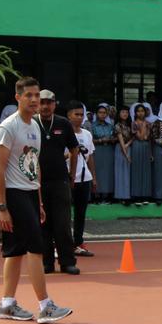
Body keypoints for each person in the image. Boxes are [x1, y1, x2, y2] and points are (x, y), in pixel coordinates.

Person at [0, 77, 73, 324]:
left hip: (29, 193)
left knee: (15, 252)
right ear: (17, 97)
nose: (35, 100)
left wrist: (37, 200)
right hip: (14, 194)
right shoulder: (8, 128)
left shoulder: (35, 127)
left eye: (37, 96)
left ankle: (6, 304)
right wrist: (2, 207)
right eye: (29, 95)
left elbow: (34, 165)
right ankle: (45, 306)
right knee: (36, 248)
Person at [34, 90, 78, 274]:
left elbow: (74, 149)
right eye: (42, 102)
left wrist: (72, 175)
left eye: (49, 103)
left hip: (60, 180)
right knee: (42, 224)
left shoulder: (63, 123)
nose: (45, 106)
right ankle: (46, 262)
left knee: (62, 223)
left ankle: (68, 262)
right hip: (37, 183)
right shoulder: (31, 123)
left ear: (54, 104)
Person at [67, 102, 97, 255]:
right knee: (64, 213)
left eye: (81, 114)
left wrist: (94, 178)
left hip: (84, 179)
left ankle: (78, 242)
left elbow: (90, 156)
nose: (79, 117)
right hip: (67, 179)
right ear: (69, 116)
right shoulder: (63, 134)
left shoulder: (86, 134)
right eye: (76, 114)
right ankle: (63, 243)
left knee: (80, 213)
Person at [91, 104, 116, 202]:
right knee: (98, 172)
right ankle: (96, 195)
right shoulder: (92, 126)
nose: (102, 115)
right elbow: (90, 140)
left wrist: (112, 139)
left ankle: (107, 195)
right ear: (96, 114)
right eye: (100, 113)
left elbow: (115, 137)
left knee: (108, 172)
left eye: (104, 113)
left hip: (109, 150)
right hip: (97, 150)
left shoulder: (110, 126)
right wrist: (101, 140)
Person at [129, 103, 153, 202]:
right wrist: (144, 126)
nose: (140, 113)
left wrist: (151, 153)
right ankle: (136, 195)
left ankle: (145, 195)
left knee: (146, 170)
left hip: (146, 147)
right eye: (138, 111)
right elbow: (141, 137)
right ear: (135, 113)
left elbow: (148, 138)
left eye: (142, 111)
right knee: (137, 169)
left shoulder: (149, 123)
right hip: (137, 146)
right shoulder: (133, 123)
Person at [113, 107, 133, 203]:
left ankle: (128, 195)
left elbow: (134, 137)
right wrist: (126, 155)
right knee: (120, 172)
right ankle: (121, 196)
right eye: (123, 112)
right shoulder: (117, 125)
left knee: (128, 172)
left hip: (128, 148)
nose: (125, 114)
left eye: (126, 112)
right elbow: (121, 141)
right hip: (120, 149)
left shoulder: (130, 125)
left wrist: (128, 145)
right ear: (119, 114)